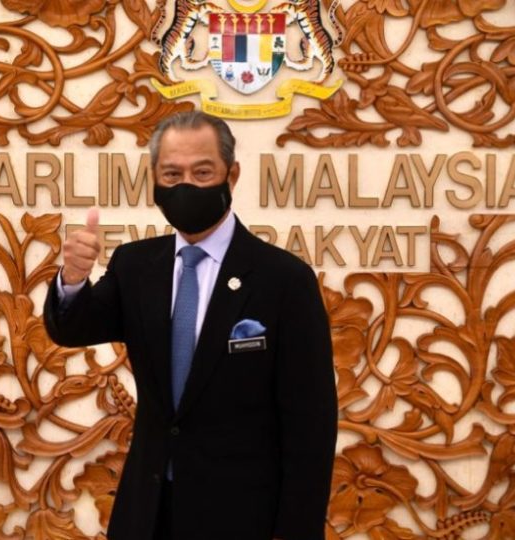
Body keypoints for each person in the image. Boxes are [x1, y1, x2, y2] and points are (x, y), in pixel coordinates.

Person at [43, 111, 337, 540]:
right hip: (146, 513)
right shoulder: (136, 265)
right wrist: (72, 278)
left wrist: (296, 530)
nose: (186, 186)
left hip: (241, 516)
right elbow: (74, 329)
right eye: (172, 174)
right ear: (154, 179)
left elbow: (311, 423)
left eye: (202, 173)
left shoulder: (284, 279)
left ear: (231, 175)